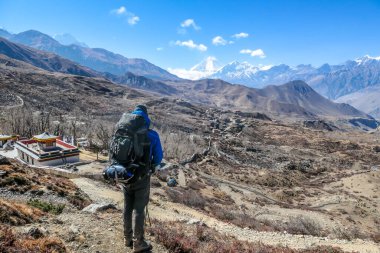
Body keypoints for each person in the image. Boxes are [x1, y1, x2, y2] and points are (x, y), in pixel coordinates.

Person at [123, 105, 163, 253]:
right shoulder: (152, 135)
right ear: (146, 118)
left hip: (125, 175)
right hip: (142, 177)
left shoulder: (124, 130)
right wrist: (151, 165)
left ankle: (127, 238)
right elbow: (158, 158)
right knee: (139, 209)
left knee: (127, 206)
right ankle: (138, 243)